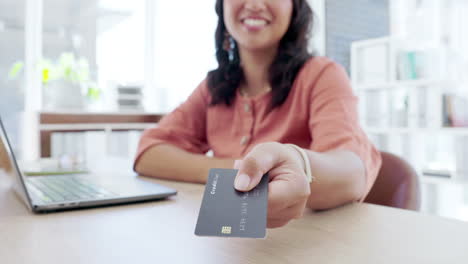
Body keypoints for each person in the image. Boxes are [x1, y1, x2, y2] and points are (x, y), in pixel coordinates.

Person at [134, 0, 381, 228]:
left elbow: (351, 173)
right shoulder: (214, 86)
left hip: (306, 241)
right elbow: (148, 153)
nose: (253, 4)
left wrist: (297, 163)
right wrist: (239, 172)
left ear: (295, 8)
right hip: (230, 242)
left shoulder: (322, 74)